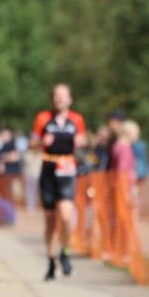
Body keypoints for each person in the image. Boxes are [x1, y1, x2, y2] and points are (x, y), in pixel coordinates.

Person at [31, 84, 87, 280]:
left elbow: (82, 141)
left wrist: (81, 142)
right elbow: (32, 144)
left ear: (70, 99)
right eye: (56, 95)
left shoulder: (77, 119)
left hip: (67, 169)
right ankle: (50, 260)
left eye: (63, 95)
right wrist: (41, 143)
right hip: (48, 169)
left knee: (65, 216)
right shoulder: (43, 118)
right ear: (52, 99)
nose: (59, 99)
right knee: (50, 220)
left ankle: (65, 252)